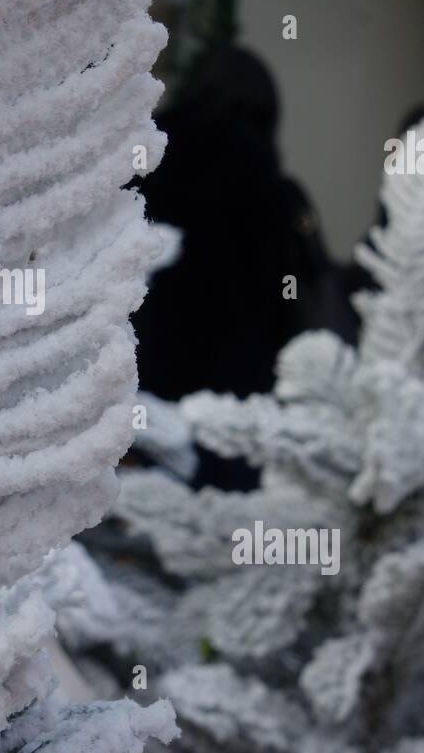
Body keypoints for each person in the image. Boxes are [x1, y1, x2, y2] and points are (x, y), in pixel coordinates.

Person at [134, 48, 352, 484]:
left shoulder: (146, 158)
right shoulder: (272, 191)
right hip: (231, 413)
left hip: (139, 391)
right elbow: (284, 302)